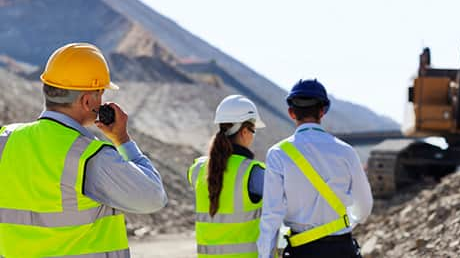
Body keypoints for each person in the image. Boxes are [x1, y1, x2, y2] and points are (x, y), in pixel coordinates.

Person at [0, 43, 167, 258]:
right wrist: (122, 140)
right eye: (100, 93)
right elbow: (153, 198)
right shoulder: (88, 156)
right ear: (88, 101)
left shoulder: (6, 140)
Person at [258, 79, 373, 258]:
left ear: (291, 113)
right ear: (322, 112)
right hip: (342, 249)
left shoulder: (278, 154)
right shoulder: (346, 151)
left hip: (301, 250)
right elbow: (364, 207)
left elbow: (271, 216)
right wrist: (344, 224)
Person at [188, 95, 266, 258]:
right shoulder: (255, 174)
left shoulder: (198, 170)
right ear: (245, 131)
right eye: (253, 131)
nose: (253, 136)